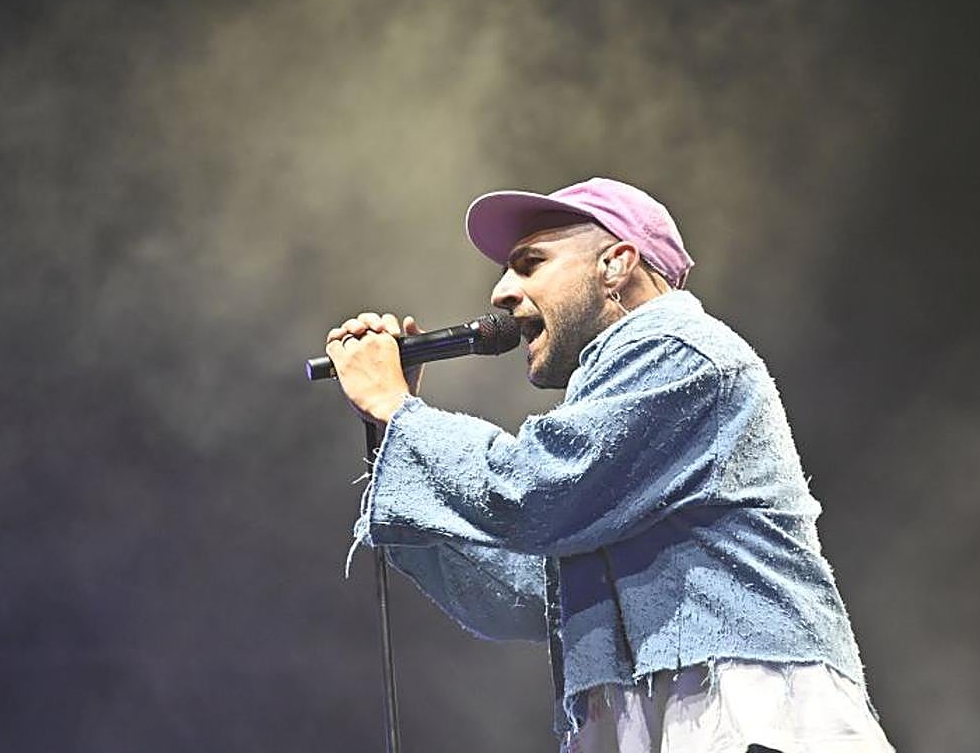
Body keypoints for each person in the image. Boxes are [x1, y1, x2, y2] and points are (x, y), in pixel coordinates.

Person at [324, 177, 894, 752]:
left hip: (752, 716)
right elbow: (516, 590)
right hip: (662, 722)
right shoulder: (614, 432)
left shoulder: (679, 347)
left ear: (616, 263)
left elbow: (534, 491)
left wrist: (402, 414)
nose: (500, 292)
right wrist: (394, 435)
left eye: (530, 263)